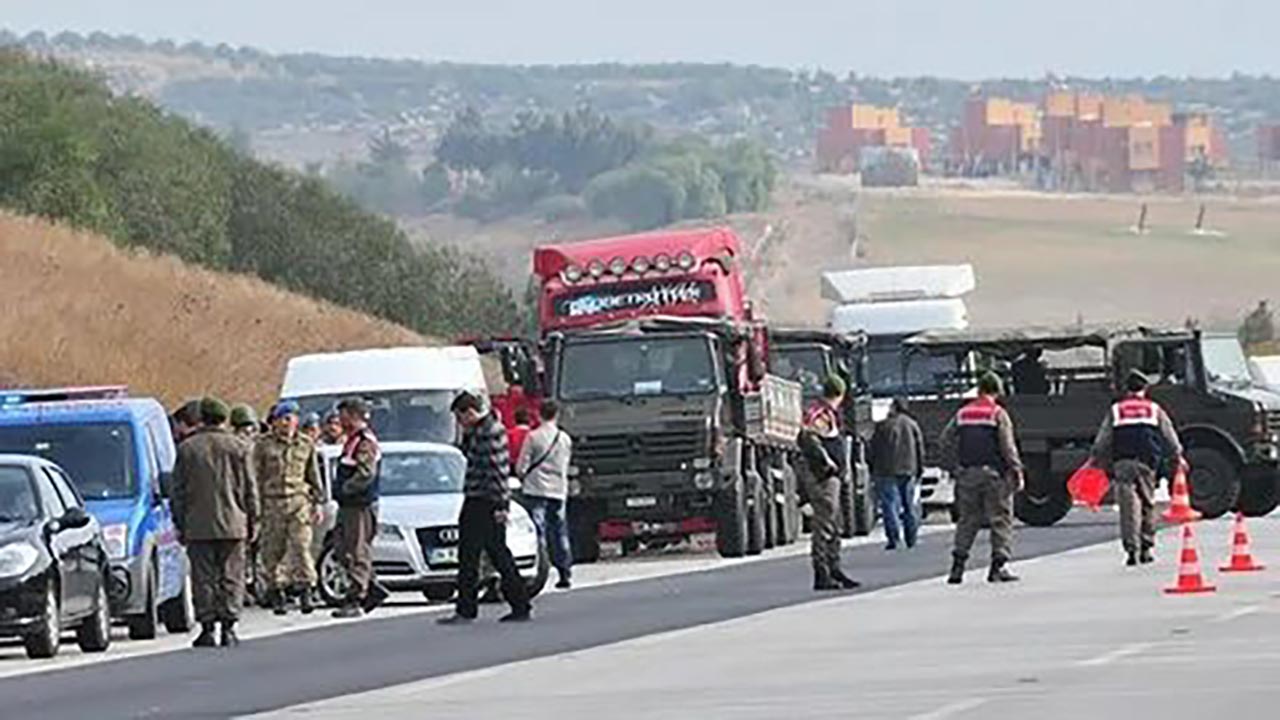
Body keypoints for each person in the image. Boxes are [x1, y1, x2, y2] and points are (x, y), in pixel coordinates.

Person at [171, 397, 259, 648]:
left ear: (202, 418)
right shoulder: (239, 447)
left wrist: (180, 523)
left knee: (203, 577)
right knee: (232, 575)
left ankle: (207, 628)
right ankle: (229, 627)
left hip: (198, 525)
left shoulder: (188, 449)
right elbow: (250, 489)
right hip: (234, 522)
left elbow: (178, 492)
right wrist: (254, 520)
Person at [438, 391, 532, 624]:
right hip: (482, 498)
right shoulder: (482, 430)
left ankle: (470, 609)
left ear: (470, 412)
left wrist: (501, 504)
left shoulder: (488, 432)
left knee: (478, 555)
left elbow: (496, 471)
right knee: (490, 553)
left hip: (484, 500)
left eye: (460, 417)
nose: (460, 423)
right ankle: (517, 603)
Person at [1089, 369, 1184, 566]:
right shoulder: (1154, 409)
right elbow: (1169, 434)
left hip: (1123, 462)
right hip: (1147, 463)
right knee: (1148, 504)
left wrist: (1095, 458)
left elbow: (1103, 439)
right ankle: (1146, 548)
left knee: (1128, 508)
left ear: (1127, 389)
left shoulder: (1117, 410)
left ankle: (1131, 550)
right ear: (1145, 389)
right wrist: (1178, 456)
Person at [940, 372, 1024, 585]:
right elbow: (1007, 446)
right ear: (997, 391)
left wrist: (955, 467)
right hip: (994, 475)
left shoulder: (962, 413)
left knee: (967, 520)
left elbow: (945, 440)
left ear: (979, 390)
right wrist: (1016, 470)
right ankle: (998, 567)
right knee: (1000, 519)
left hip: (967, 474)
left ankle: (957, 567)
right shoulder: (998, 413)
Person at [253, 401, 326, 615]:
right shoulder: (263, 445)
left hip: (298, 502)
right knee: (272, 550)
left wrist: (318, 503)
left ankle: (306, 589)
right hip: (272, 502)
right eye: (283, 419)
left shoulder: (306, 444)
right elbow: (255, 476)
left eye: (291, 418)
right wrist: (255, 506)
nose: (287, 423)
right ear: (275, 422)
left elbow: (313, 475)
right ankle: (277, 591)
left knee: (301, 546)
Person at [797, 375, 860, 592]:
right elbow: (809, 439)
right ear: (839, 394)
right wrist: (827, 462)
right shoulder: (820, 414)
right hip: (823, 477)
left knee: (834, 524)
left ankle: (835, 569)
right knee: (824, 524)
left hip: (831, 478)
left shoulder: (827, 413)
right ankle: (822, 572)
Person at [330, 397, 387, 619]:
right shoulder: (351, 441)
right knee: (341, 547)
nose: (339, 420)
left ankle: (356, 597)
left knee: (357, 551)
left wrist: (346, 488)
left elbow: (366, 473)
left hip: (359, 505)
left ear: (354, 416)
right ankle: (371, 587)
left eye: (343, 415)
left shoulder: (365, 442)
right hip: (349, 505)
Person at [516, 400, 573, 590]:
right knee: (559, 530)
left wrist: (522, 476)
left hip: (536, 489)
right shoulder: (564, 438)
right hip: (558, 489)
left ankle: (542, 568)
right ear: (557, 415)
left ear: (539, 414)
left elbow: (522, 465)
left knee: (538, 530)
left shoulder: (533, 437)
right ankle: (564, 570)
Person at [869, 397, 925, 551]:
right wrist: (920, 468)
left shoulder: (882, 426)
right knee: (909, 505)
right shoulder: (912, 425)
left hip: (886, 470)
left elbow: (873, 449)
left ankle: (893, 538)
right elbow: (919, 448)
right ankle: (911, 538)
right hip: (908, 469)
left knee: (890, 505)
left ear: (893, 407)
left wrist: (873, 468)